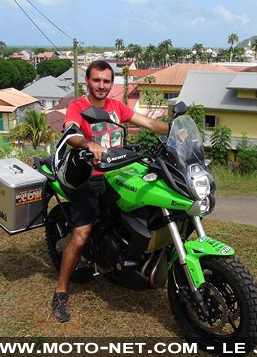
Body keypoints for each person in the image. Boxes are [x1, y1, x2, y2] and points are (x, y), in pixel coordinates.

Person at [51, 60, 170, 323]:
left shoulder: (117, 107)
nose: (101, 85)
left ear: (111, 84)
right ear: (88, 82)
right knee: (81, 236)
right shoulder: (78, 107)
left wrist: (175, 131)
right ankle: (60, 291)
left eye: (106, 81)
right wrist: (88, 143)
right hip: (88, 175)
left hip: (121, 171)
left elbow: (149, 123)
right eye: (97, 80)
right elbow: (70, 133)